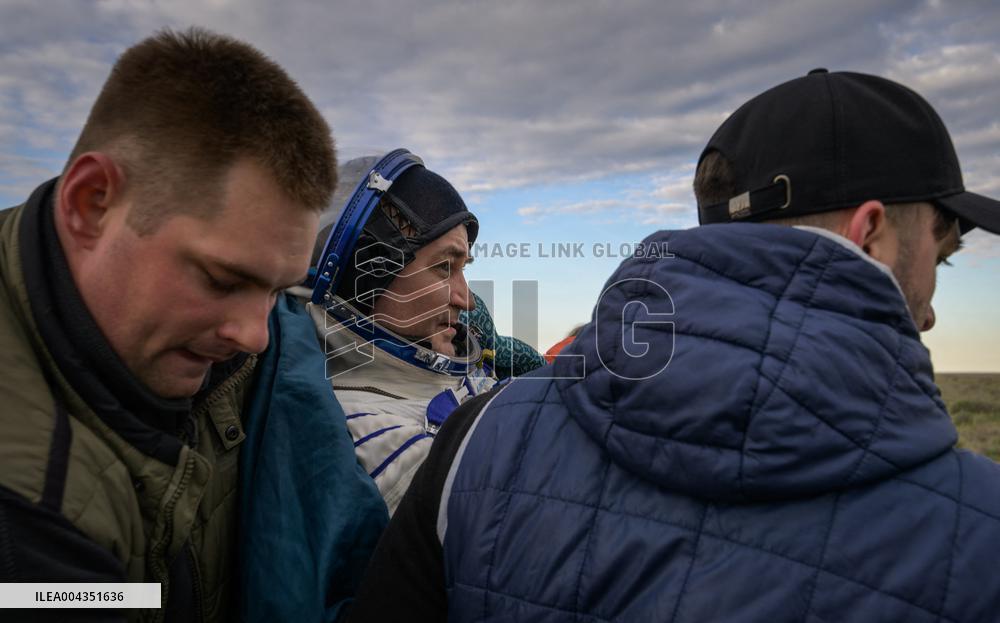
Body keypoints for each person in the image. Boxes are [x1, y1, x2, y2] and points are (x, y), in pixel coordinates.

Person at [345, 70, 1000, 622]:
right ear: (872, 233)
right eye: (938, 260)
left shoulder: (479, 441)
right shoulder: (980, 535)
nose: (934, 313)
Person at [0, 28, 336, 621]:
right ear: (91, 203)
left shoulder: (196, 340)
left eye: (277, 292)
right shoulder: (32, 514)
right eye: (222, 280)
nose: (256, 335)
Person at [295, 150, 505, 514]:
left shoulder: (431, 376)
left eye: (463, 268)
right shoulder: (375, 441)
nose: (466, 299)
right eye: (444, 267)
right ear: (367, 276)